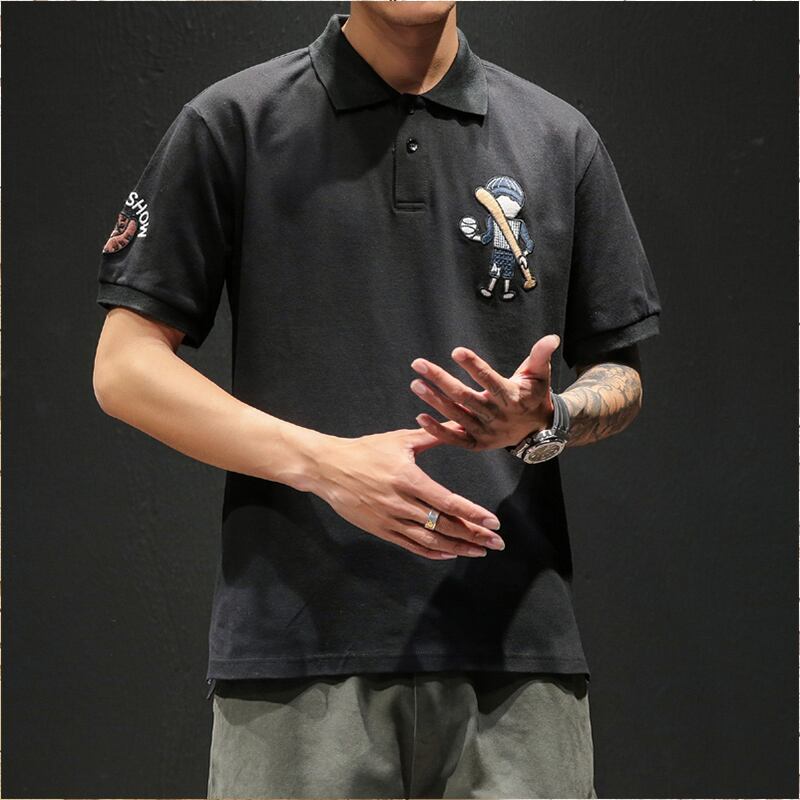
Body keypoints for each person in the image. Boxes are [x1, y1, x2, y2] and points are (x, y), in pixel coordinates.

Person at [92, 2, 662, 797]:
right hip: (296, 659)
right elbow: (123, 368)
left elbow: (619, 374)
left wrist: (549, 416)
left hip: (516, 662)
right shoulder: (234, 122)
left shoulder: (559, 138)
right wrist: (325, 466)